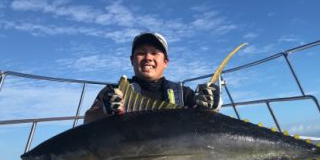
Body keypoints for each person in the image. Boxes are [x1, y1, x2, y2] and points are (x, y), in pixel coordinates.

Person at [84, 32, 220, 123]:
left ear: (166, 62)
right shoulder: (113, 91)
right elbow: (88, 119)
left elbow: (207, 122)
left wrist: (212, 106)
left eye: (154, 53)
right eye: (141, 53)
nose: (148, 58)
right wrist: (104, 111)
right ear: (132, 60)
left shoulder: (183, 93)